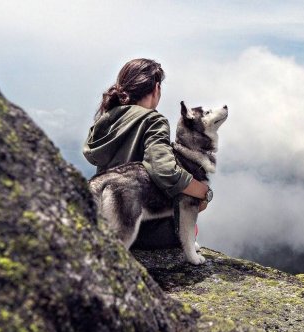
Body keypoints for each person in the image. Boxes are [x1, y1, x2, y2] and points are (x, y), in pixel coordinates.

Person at [82, 58, 211, 215]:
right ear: (157, 88)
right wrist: (204, 192)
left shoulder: (107, 120)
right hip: (144, 226)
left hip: (106, 218)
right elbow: (164, 170)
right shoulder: (153, 120)